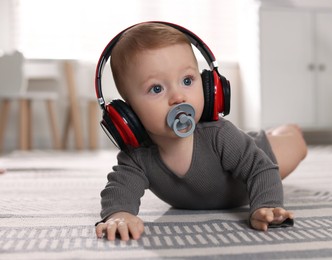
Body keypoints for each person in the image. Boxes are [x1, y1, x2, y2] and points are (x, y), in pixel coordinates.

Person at [95, 22, 307, 241]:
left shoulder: (219, 134)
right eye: (156, 88)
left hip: (262, 152)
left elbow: (261, 168)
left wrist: (267, 205)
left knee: (295, 144)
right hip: (236, 149)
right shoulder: (137, 159)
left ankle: (286, 130)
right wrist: (119, 214)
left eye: (187, 80)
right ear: (126, 113)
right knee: (249, 141)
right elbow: (119, 189)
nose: (178, 97)